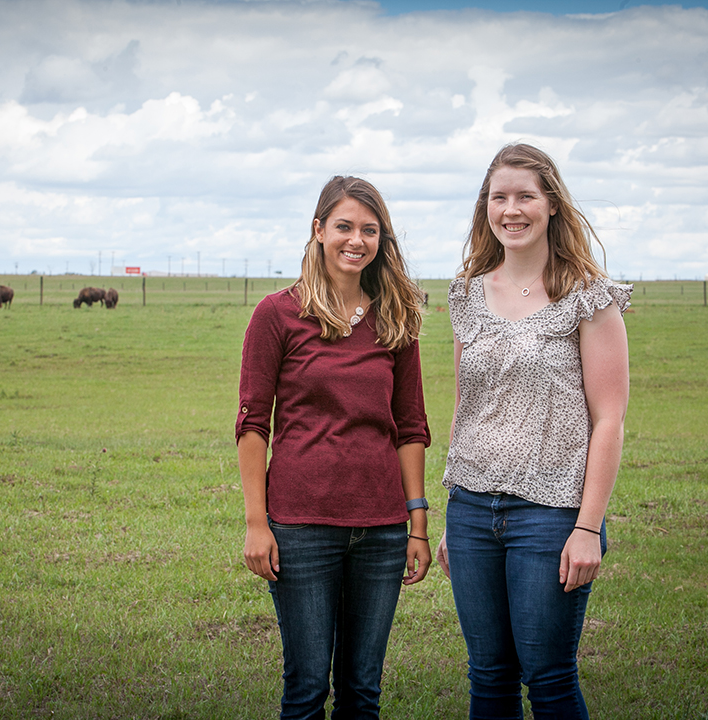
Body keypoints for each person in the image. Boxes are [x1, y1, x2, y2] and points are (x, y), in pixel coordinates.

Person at [436, 143, 631, 719]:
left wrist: (588, 528)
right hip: (470, 510)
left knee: (547, 678)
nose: (511, 209)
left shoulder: (588, 299)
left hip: (550, 515)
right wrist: (453, 510)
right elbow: (467, 405)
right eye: (500, 197)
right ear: (485, 208)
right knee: (488, 675)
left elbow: (610, 420)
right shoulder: (468, 293)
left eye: (525, 195)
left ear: (551, 205)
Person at [237, 175, 432, 719]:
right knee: (305, 691)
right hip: (301, 527)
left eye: (370, 230)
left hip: (383, 528)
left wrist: (416, 523)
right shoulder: (277, 315)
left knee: (362, 693)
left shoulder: (397, 319)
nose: (357, 240)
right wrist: (258, 523)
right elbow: (253, 423)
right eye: (344, 226)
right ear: (319, 229)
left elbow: (411, 426)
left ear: (381, 241)